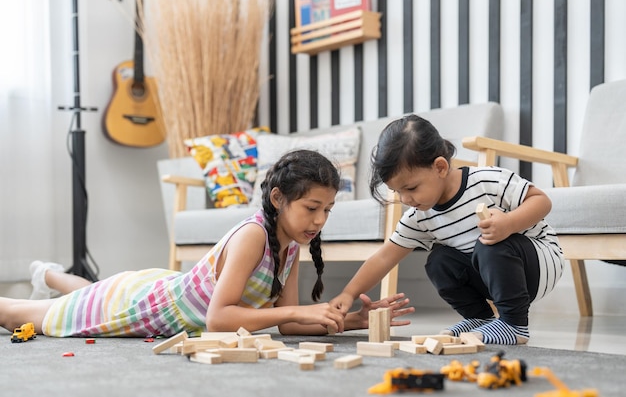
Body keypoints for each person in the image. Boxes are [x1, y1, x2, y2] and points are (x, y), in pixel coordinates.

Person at [0, 149, 413, 338]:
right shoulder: (253, 236)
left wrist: (347, 322)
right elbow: (218, 320)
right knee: (16, 314)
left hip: (153, 289)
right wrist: (305, 309)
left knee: (89, 292)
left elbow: (284, 321)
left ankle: (48, 274)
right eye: (311, 208)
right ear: (277, 199)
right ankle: (47, 279)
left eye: (328, 210)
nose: (320, 221)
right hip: (138, 306)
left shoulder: (288, 245)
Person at [330, 115, 564, 345]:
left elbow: (542, 201)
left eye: (411, 188)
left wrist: (509, 223)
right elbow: (384, 257)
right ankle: (480, 318)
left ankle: (514, 325)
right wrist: (348, 294)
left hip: (539, 263)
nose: (406, 199)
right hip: (493, 273)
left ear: (440, 167)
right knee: (439, 261)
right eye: (398, 192)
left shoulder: (486, 181)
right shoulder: (419, 216)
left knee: (488, 245)